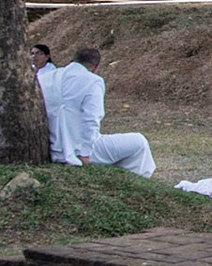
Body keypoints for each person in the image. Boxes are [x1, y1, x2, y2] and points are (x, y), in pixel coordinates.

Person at [50, 48, 155, 177]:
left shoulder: (47, 77)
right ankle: (142, 179)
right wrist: (85, 154)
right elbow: (91, 119)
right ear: (95, 67)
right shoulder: (93, 81)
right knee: (139, 142)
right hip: (76, 149)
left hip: (52, 146)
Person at [31, 44, 59, 158]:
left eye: (39, 53)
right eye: (32, 53)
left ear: (47, 56)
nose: (35, 56)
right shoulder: (28, 69)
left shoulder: (52, 73)